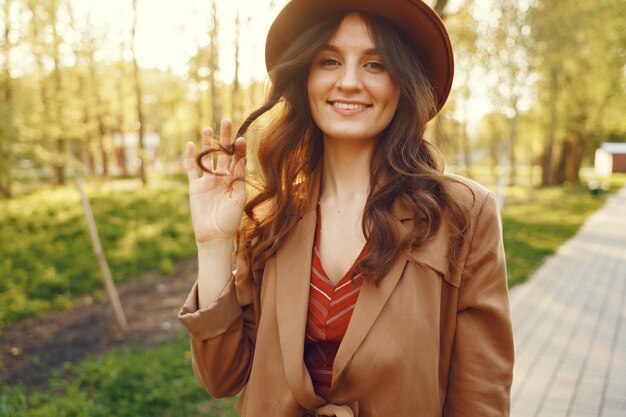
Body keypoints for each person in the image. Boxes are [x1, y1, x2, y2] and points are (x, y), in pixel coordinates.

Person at [179, 0, 514, 416]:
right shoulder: (273, 213)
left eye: (375, 64)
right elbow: (222, 377)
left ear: (403, 82)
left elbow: (481, 398)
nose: (350, 82)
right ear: (306, 76)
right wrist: (213, 245)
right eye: (330, 60)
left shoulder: (463, 214)